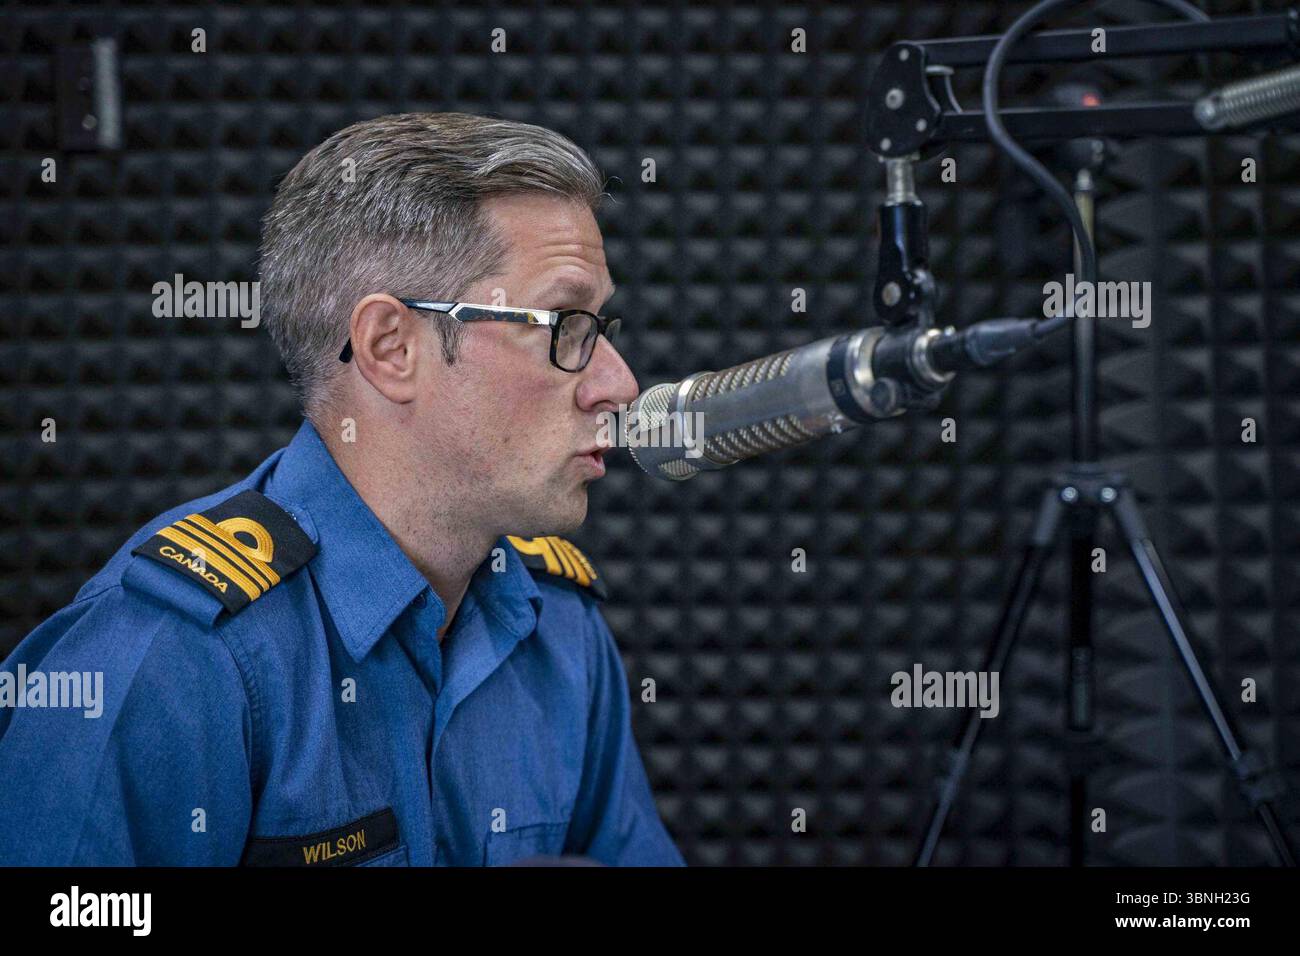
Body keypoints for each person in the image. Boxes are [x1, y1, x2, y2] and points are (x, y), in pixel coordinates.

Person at [0, 112, 685, 867]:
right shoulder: (169, 659)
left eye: (602, 325)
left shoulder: (558, 628)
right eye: (564, 323)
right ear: (391, 348)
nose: (619, 384)